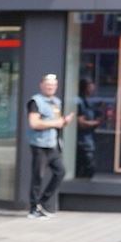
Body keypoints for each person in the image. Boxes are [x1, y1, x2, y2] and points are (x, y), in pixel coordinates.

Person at [27, 72, 74, 218]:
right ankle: (34, 209)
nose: (50, 87)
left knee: (60, 172)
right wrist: (56, 123)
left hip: (53, 145)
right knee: (38, 177)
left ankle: (43, 202)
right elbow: (34, 123)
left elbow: (57, 122)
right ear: (42, 85)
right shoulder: (35, 101)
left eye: (53, 85)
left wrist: (64, 121)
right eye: (48, 85)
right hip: (39, 145)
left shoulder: (56, 102)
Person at [75, 78, 103, 180]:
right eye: (90, 85)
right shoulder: (79, 102)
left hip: (88, 140)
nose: (93, 88)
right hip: (82, 142)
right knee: (87, 167)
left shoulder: (88, 102)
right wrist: (96, 123)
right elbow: (81, 123)